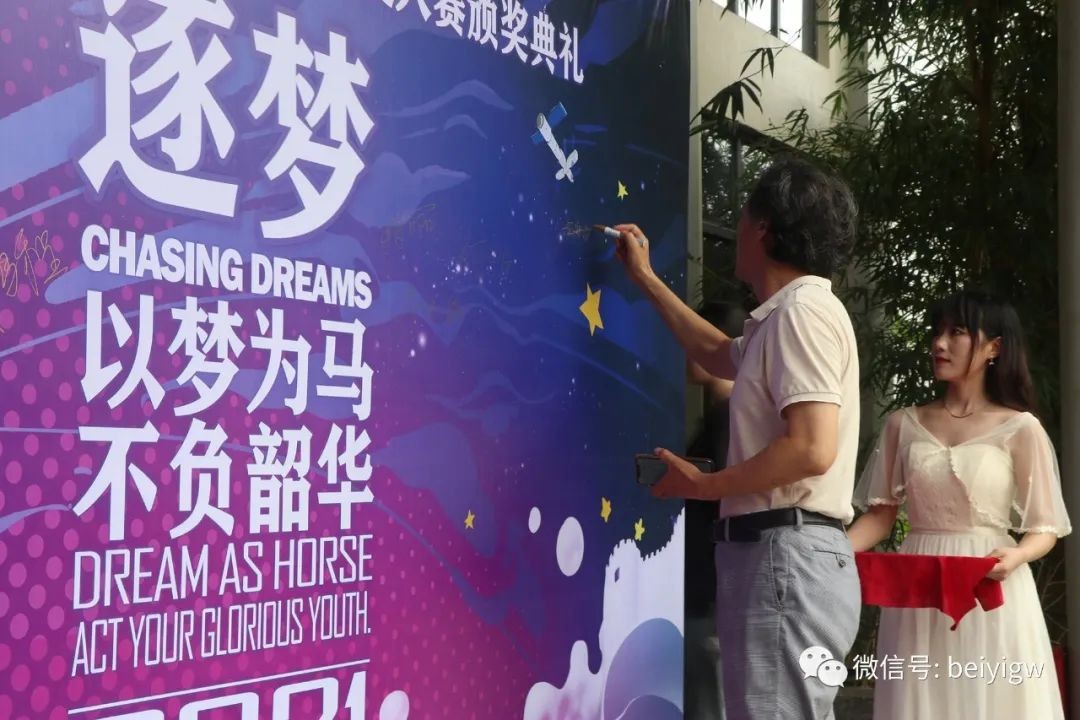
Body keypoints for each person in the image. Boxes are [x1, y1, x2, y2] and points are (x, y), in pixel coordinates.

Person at [614, 156, 862, 720]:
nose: (738, 224)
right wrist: (646, 279)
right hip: (781, 554)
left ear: (763, 228)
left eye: (745, 212)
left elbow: (812, 448)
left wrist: (705, 485)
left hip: (784, 554)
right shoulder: (786, 316)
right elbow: (713, 353)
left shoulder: (801, 313)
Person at [847, 290, 1071, 719]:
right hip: (918, 585)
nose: (939, 343)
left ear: (994, 348)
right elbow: (880, 516)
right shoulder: (902, 424)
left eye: (957, 333)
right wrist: (831, 554)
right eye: (937, 332)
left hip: (990, 582)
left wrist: (1017, 555)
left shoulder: (1021, 428)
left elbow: (1045, 527)